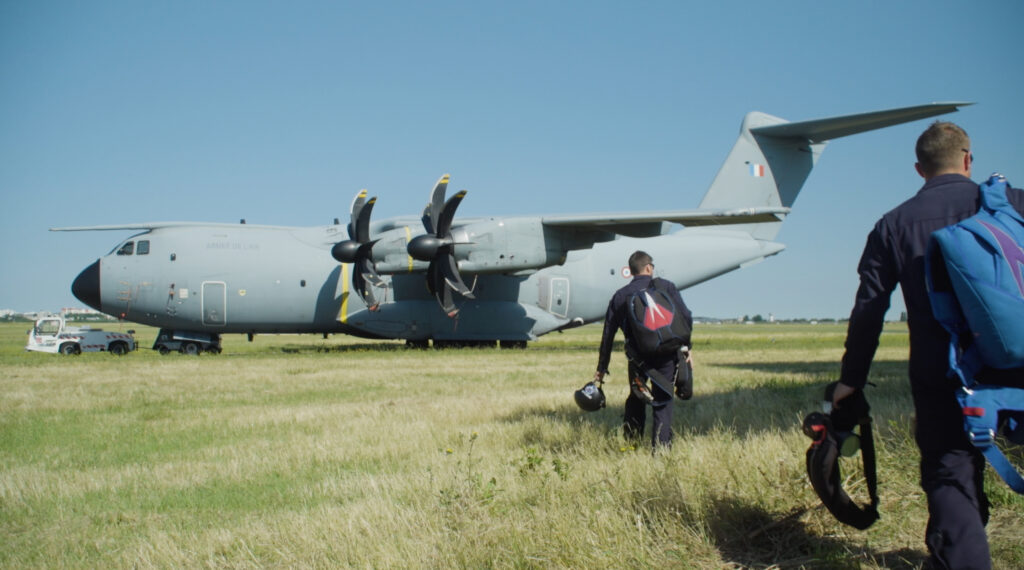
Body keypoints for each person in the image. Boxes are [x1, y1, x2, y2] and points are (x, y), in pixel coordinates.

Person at [832, 121, 1024, 569]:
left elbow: (869, 312)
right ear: (968, 159)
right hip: (1018, 364)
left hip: (943, 375)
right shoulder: (1013, 204)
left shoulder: (894, 224)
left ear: (919, 169)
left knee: (950, 475)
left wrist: (850, 380)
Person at [595, 250, 693, 448]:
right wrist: (686, 348)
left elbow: (608, 334)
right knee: (663, 401)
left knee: (637, 397)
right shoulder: (666, 287)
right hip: (667, 354)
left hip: (638, 358)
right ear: (649, 267)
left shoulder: (621, 296)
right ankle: (661, 450)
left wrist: (602, 367)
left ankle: (632, 443)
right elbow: (686, 317)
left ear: (631, 271)